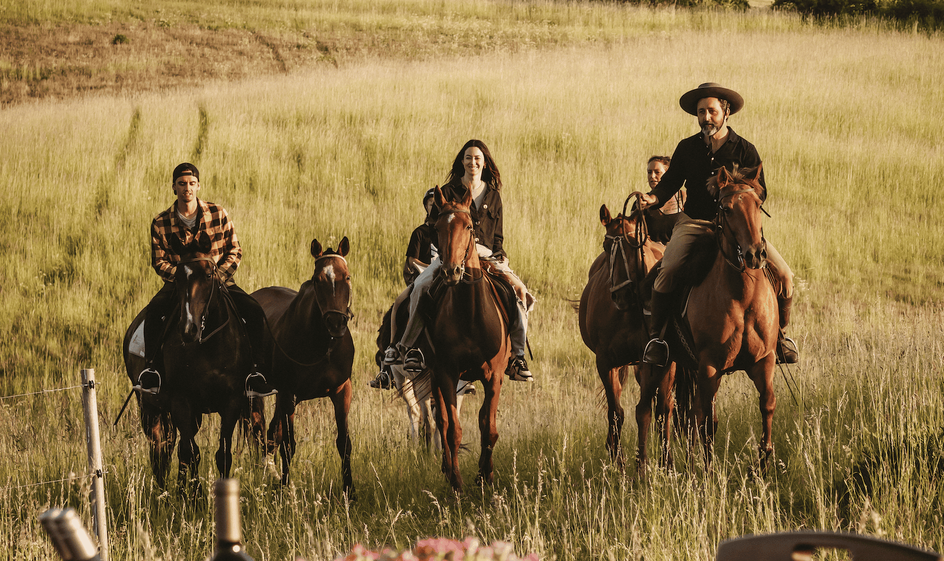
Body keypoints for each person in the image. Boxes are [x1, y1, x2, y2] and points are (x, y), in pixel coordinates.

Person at [636, 83, 798, 366]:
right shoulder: (687, 147)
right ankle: (657, 340)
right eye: (701, 112)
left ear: (726, 112)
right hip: (695, 223)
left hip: (738, 228)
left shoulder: (745, 150)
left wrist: (730, 188)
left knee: (784, 274)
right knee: (667, 271)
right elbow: (670, 182)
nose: (706, 117)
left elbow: (760, 191)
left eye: (711, 111)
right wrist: (653, 198)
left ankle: (780, 337)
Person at [383, 139, 536, 382]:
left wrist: (501, 256)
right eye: (468, 158)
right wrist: (446, 252)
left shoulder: (493, 196)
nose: (472, 162)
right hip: (451, 254)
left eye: (477, 158)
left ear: (484, 163)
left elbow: (498, 236)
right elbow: (434, 227)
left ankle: (517, 356)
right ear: (462, 161)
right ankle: (408, 348)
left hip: (486, 254)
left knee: (520, 291)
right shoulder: (447, 191)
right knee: (420, 287)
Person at [133, 162, 277, 398]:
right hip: (180, 285)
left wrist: (218, 276)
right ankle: (152, 370)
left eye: (191, 183)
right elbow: (159, 262)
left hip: (218, 282)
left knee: (253, 310)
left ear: (198, 186)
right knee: (155, 311)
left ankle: (257, 373)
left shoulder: (218, 213)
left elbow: (235, 250)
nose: (187, 188)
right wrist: (183, 278)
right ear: (174, 187)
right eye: (181, 184)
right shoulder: (160, 222)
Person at [369, 188, 437, 390]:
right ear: (426, 207)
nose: (434, 207)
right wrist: (429, 269)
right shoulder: (420, 233)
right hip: (422, 279)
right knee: (398, 305)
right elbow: (411, 260)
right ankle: (389, 356)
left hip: (444, 279)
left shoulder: (447, 230)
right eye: (431, 204)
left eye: (437, 204)